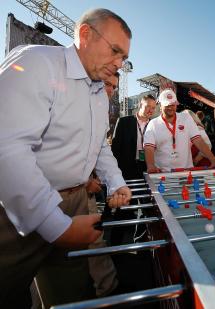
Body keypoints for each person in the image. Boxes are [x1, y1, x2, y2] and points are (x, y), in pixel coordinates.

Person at [0, 8, 132, 308]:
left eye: (123, 57)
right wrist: (53, 223)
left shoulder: (100, 92)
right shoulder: (36, 63)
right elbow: (7, 146)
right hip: (15, 210)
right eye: (115, 51)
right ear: (85, 35)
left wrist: (116, 183)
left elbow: (99, 147)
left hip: (75, 204)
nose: (119, 63)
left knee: (69, 295)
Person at [85, 72, 120, 298]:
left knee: (95, 243)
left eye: (114, 87)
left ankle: (109, 292)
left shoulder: (102, 109)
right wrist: (83, 180)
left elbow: (101, 149)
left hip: (81, 191)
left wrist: (116, 183)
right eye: (107, 84)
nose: (110, 90)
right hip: (43, 193)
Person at [144, 89, 215, 172]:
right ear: (160, 105)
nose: (171, 107)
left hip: (186, 171)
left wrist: (214, 161)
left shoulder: (186, 118)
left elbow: (199, 141)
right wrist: (151, 166)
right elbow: (149, 147)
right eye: (167, 105)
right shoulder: (153, 124)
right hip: (163, 172)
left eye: (173, 104)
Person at [112, 94, 157, 180]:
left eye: (153, 108)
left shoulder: (155, 125)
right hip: (126, 169)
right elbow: (115, 149)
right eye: (148, 106)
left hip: (147, 168)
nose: (151, 110)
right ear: (140, 105)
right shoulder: (123, 122)